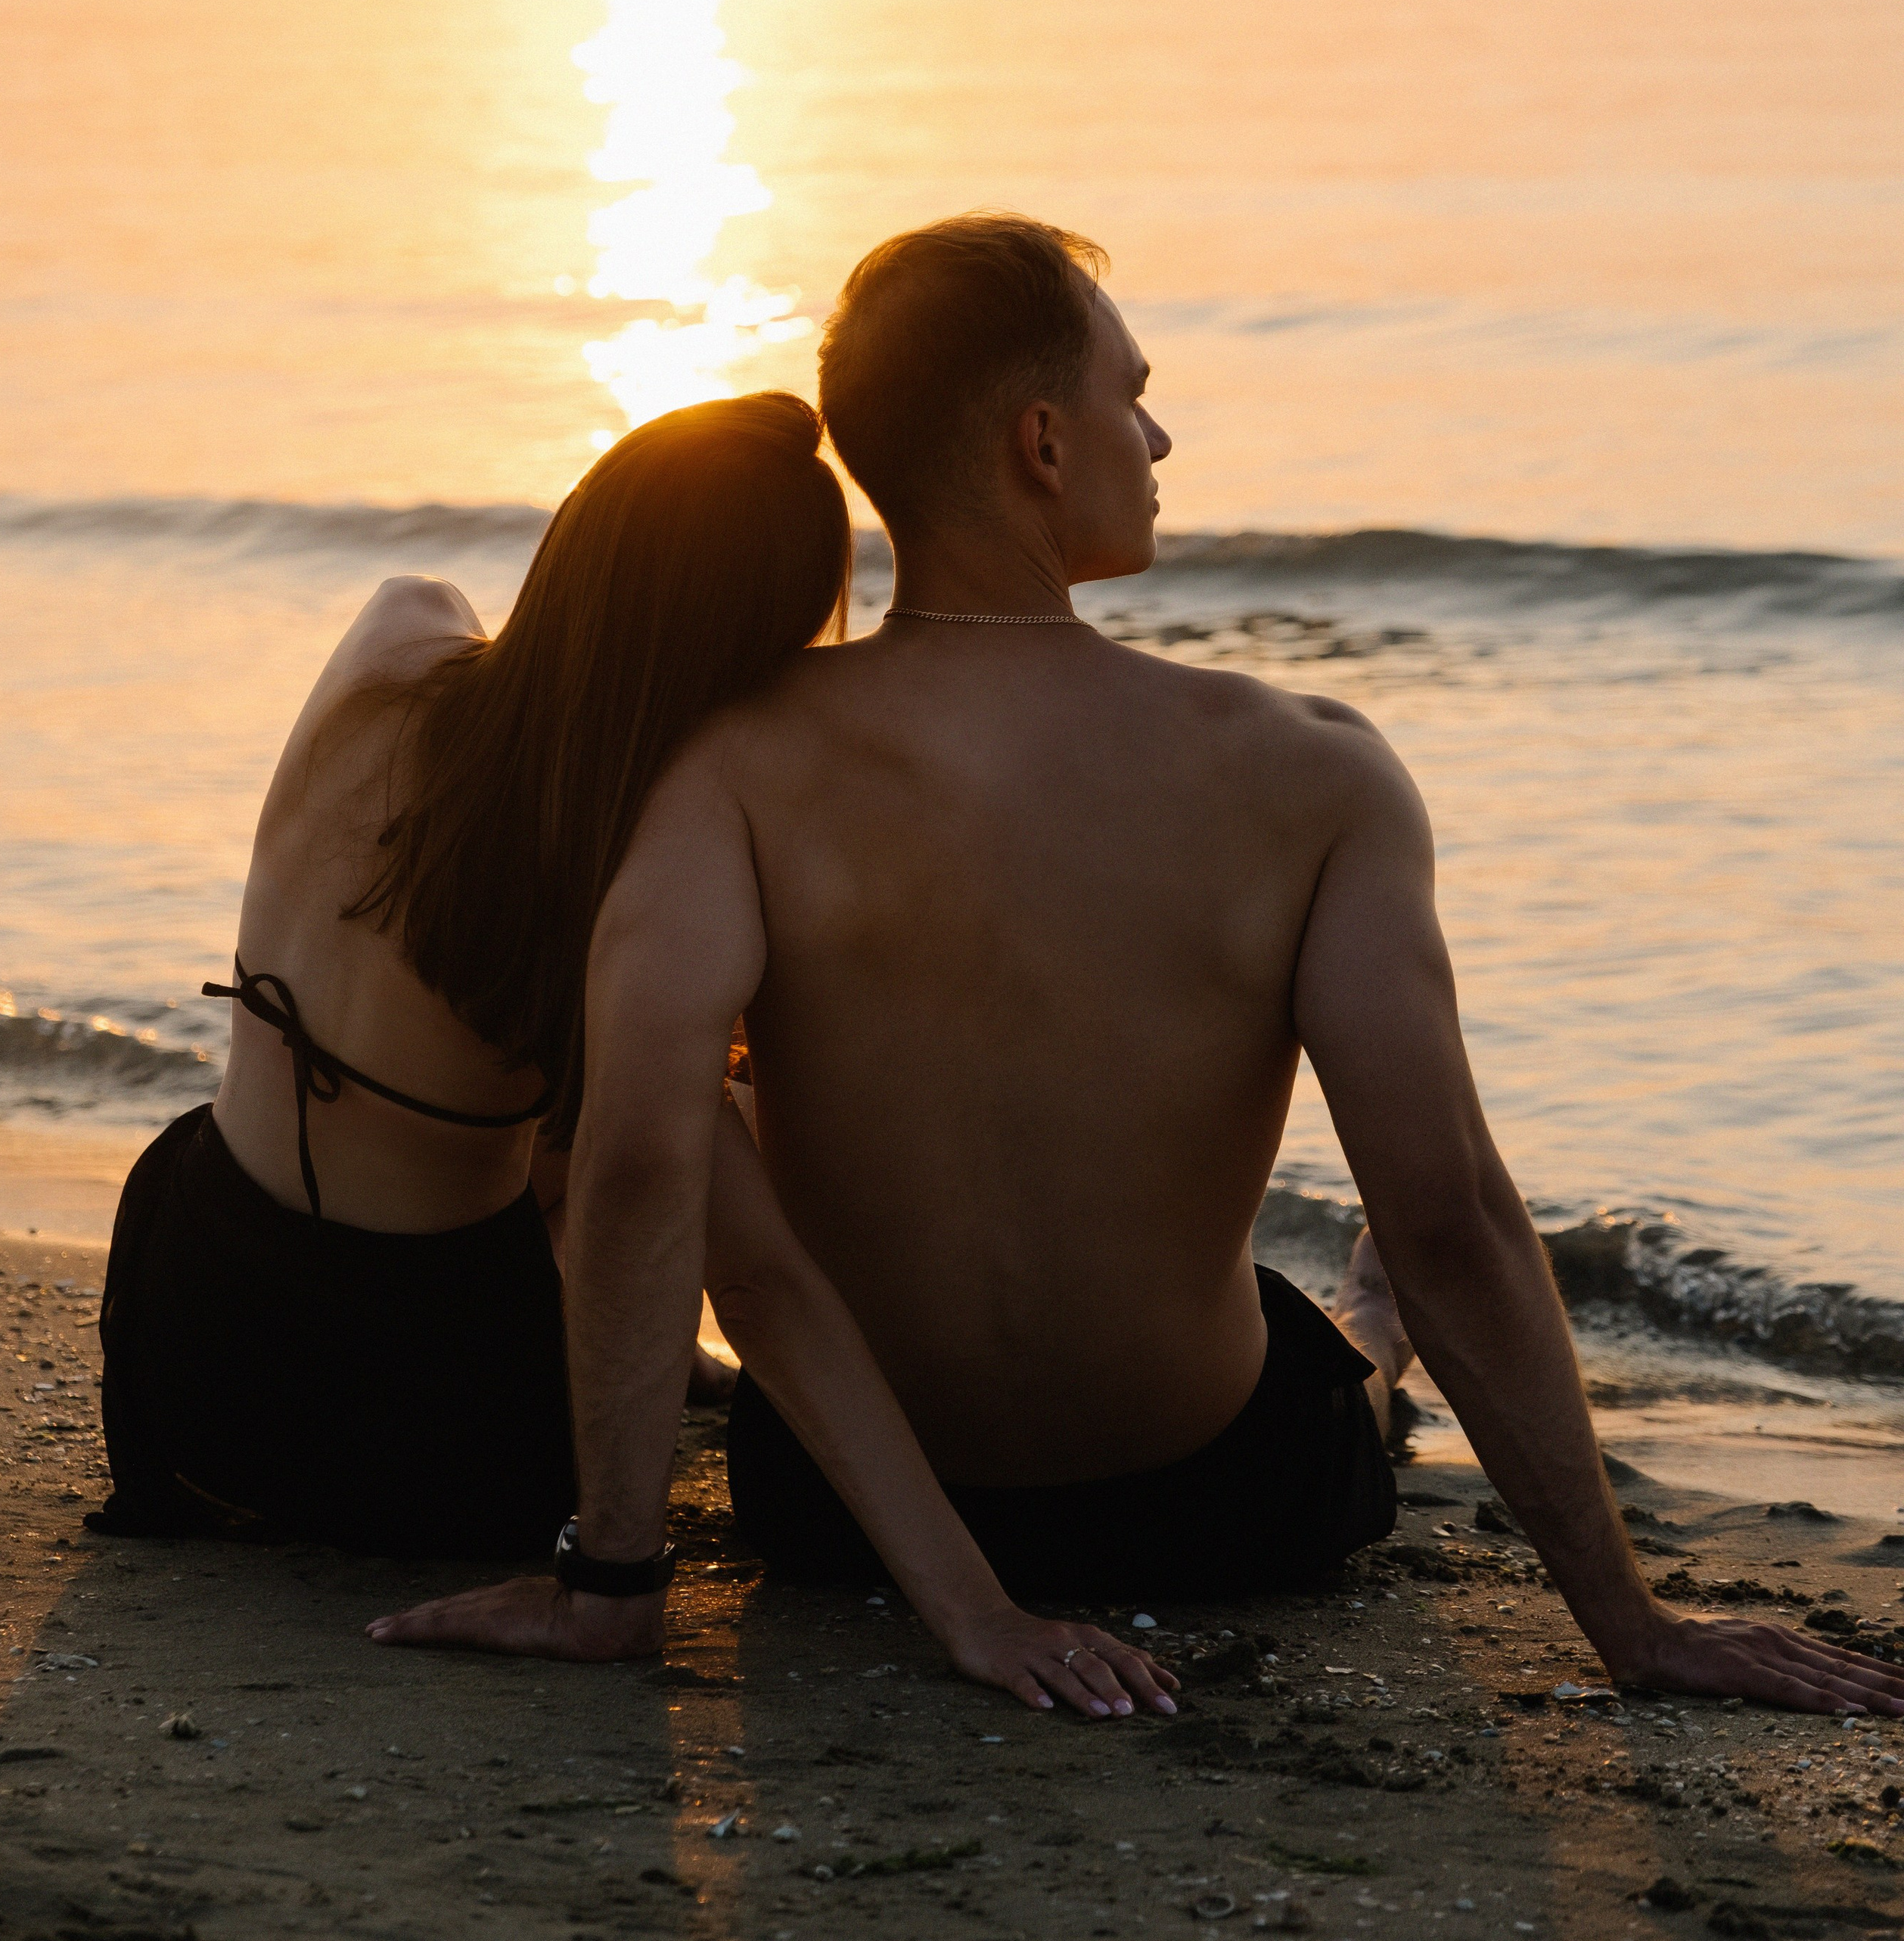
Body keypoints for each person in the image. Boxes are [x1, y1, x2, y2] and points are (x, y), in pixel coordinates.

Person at [381, 220, 1903, 1724]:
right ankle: (1364, 1339)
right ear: (1043, 443)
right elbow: (1450, 1216)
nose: (1157, 434)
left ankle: (1355, 1327)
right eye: (1133, 393)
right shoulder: (1308, 775)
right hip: (1224, 1509)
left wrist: (613, 1585)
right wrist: (1629, 1628)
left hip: (838, 1520)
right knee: (1357, 1317)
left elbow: (645, 1166)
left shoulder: (724, 767)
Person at [92, 386, 1179, 1720]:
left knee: (565, 1121)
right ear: (757, 650)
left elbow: (506, 727)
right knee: (661, 1124)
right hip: (430, 1442)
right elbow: (764, 1276)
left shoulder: (396, 640)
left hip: (188, 1358)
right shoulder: (625, 887)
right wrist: (976, 1607)